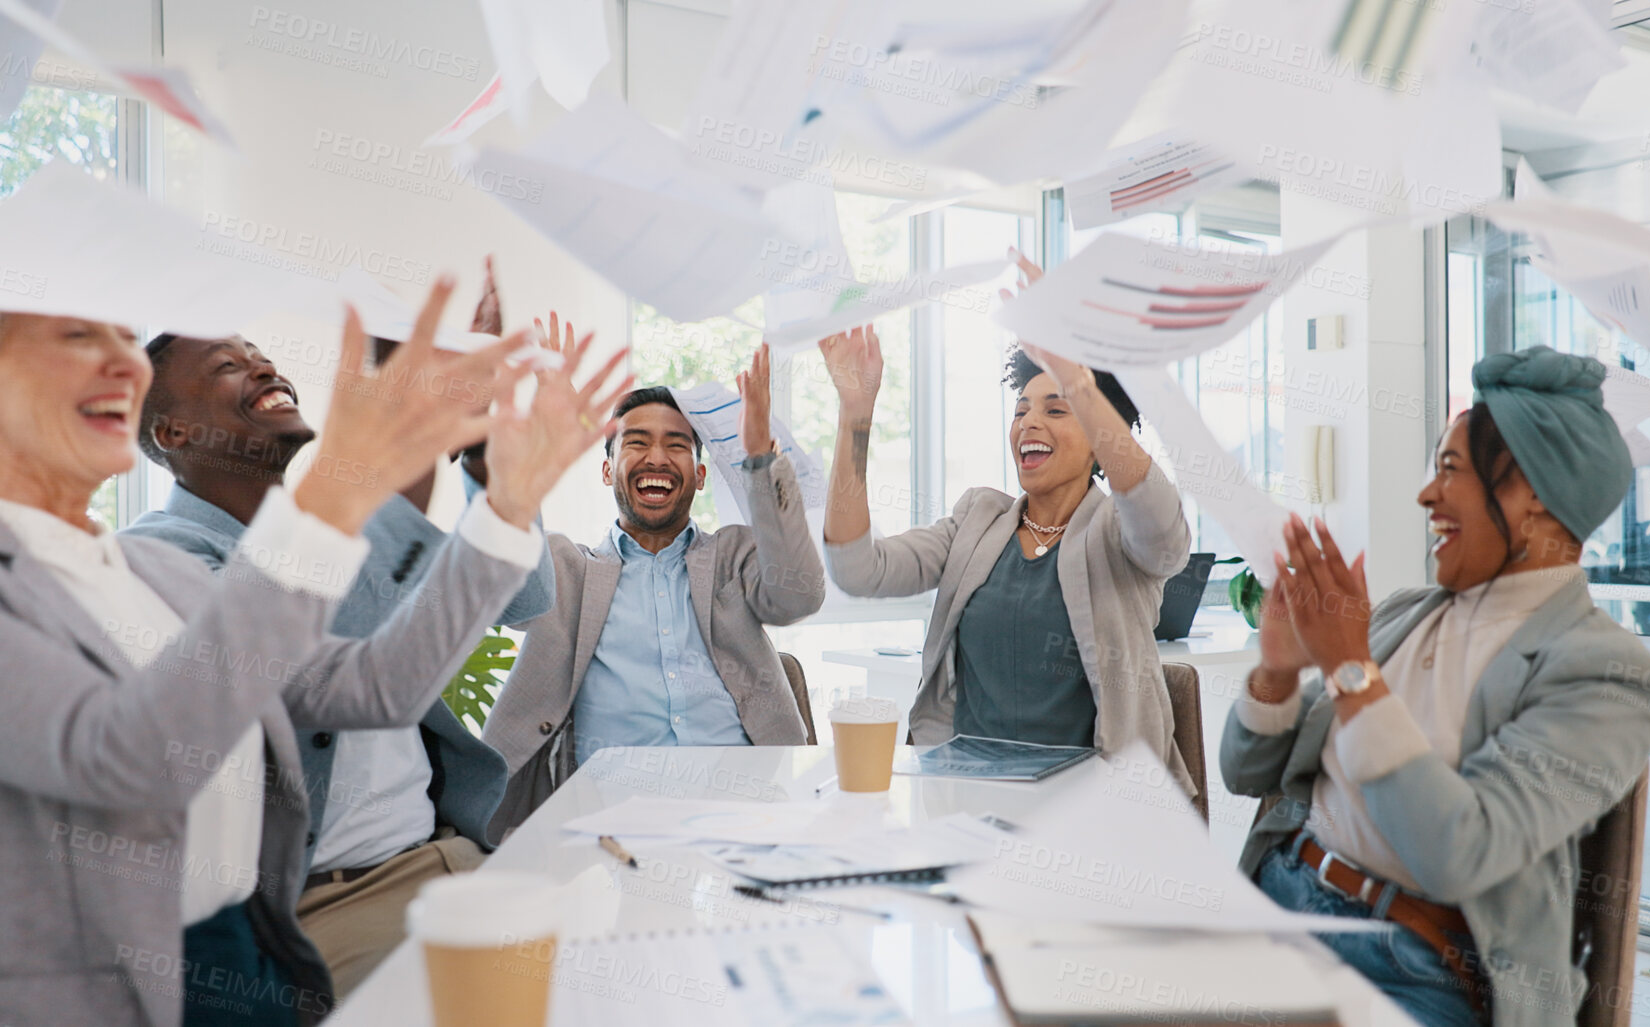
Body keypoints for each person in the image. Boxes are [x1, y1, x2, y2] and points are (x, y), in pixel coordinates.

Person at [0, 276, 623, 1027]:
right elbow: (125, 761)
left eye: (125, 335)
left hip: (248, 958)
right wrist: (342, 487)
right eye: (80, 336)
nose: (125, 362)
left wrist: (509, 503)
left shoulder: (152, 571)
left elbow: (379, 687)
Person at [119, 263, 577, 996]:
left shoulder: (325, 531)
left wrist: (485, 446)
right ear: (172, 429)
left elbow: (524, 601)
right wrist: (415, 427)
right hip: (326, 904)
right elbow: (333, 670)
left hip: (447, 854)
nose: (262, 364)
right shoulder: (160, 559)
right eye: (228, 364)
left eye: (258, 351)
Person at [1219, 346, 1650, 1027]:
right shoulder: (1405, 613)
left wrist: (1349, 670)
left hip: (1415, 965)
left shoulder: (1607, 670)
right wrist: (1278, 667)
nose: (1426, 494)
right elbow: (1244, 770)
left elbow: (1462, 850)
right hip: (1272, 901)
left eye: (1450, 470)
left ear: (1535, 494)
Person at [819, 257, 1194, 789]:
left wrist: (1079, 381)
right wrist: (854, 412)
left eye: (1056, 409)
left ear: (1097, 438)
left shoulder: (1117, 532)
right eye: (1021, 410)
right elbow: (858, 570)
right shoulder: (978, 519)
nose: (1029, 422)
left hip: (1094, 803)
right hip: (965, 790)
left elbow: (1165, 535)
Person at [482, 342, 825, 831]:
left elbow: (800, 596)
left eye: (677, 445)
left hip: (745, 810)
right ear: (607, 469)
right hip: (612, 817)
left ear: (700, 475)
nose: (657, 458)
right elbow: (507, 596)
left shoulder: (733, 557)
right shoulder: (568, 568)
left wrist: (760, 460)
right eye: (637, 442)